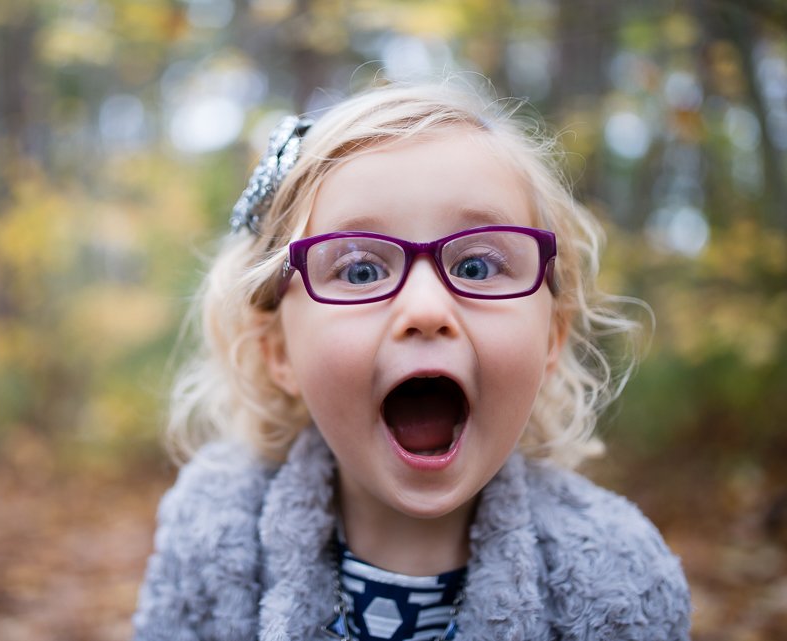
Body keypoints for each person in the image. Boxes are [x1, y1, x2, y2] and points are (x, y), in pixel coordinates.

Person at [131, 82, 691, 641]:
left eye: (476, 266)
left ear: (552, 337)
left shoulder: (621, 581)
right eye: (360, 271)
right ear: (278, 350)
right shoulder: (212, 540)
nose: (425, 309)